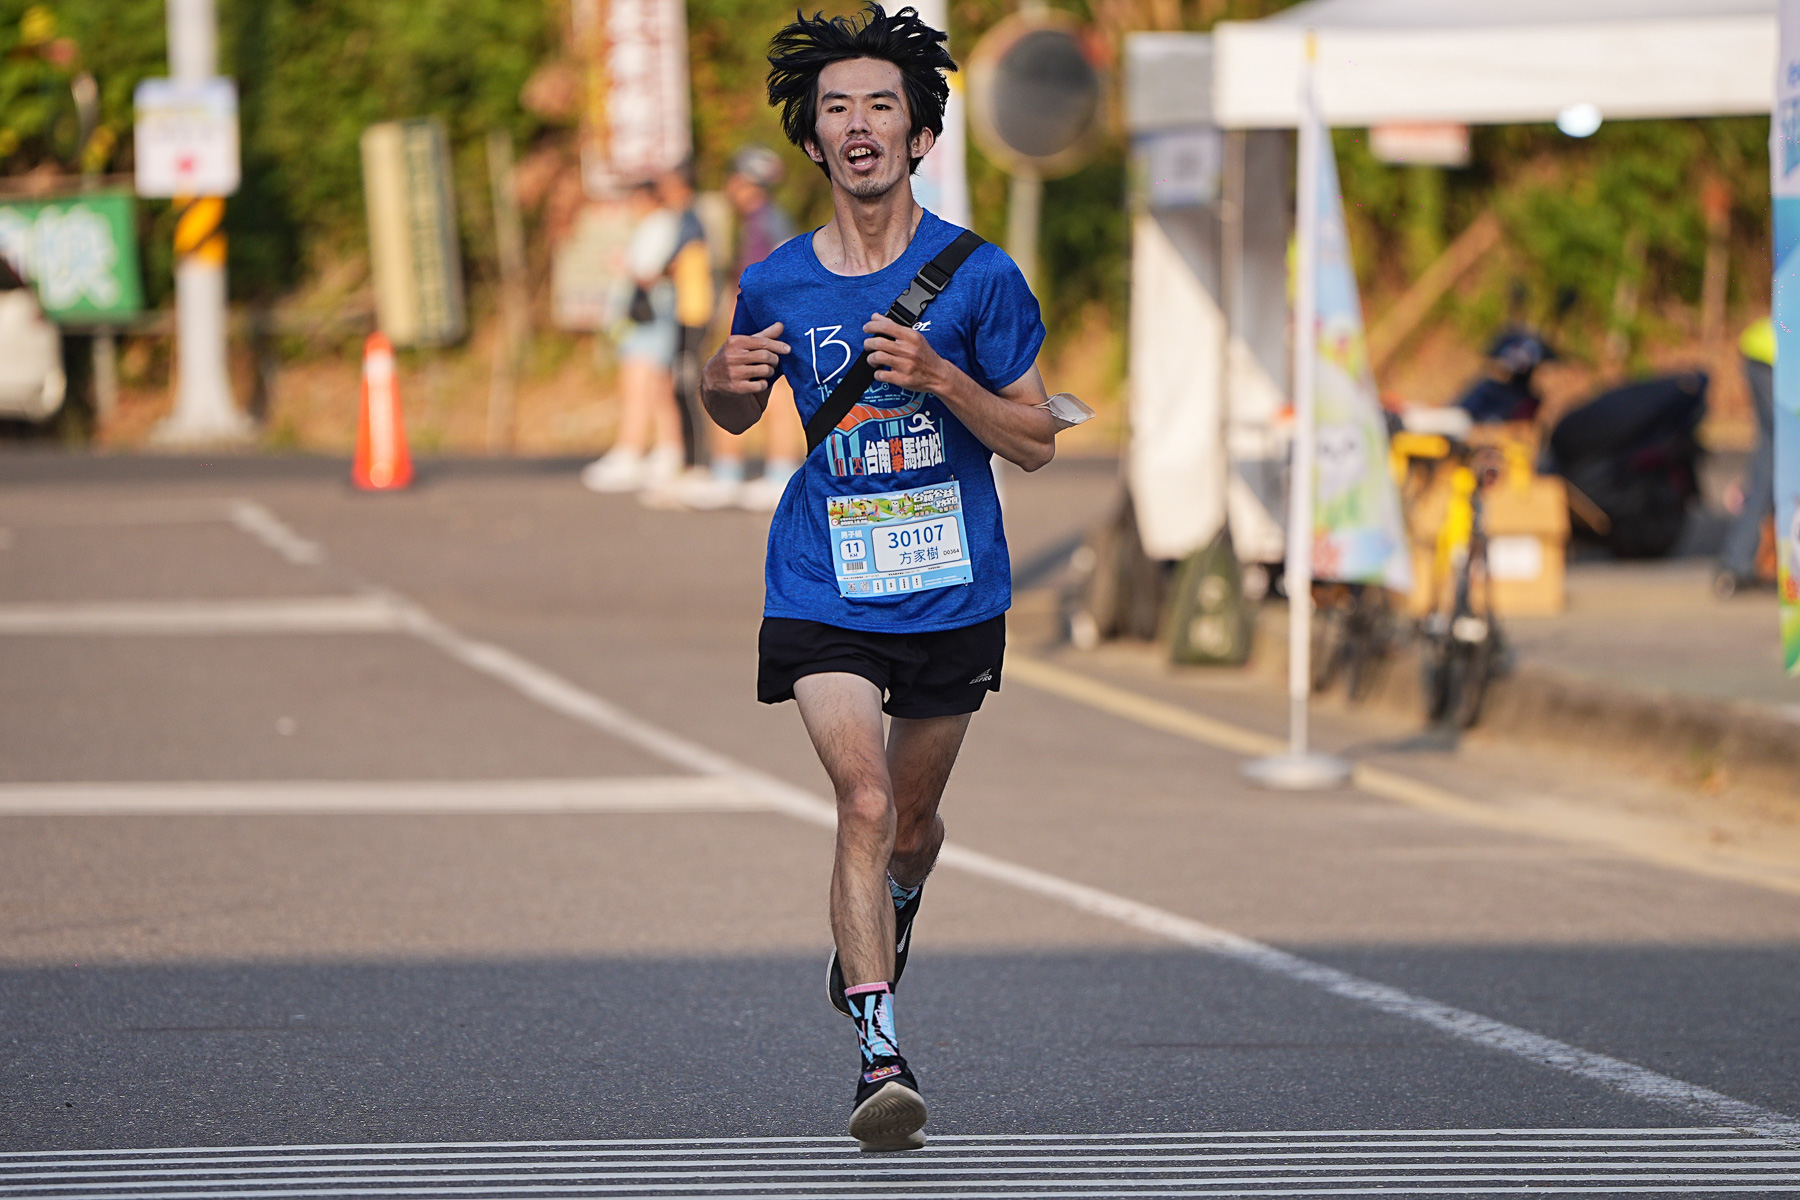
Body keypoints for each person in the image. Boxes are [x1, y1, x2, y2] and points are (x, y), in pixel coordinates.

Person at [699, 2, 1075, 1153]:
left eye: (880, 106)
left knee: (909, 825)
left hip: (953, 588)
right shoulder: (774, 281)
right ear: (813, 139)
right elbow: (734, 413)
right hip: (822, 584)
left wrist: (944, 378)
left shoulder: (980, 275)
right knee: (862, 803)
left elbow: (1036, 437)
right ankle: (880, 1056)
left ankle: (900, 896)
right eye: (837, 109)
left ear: (919, 134)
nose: (859, 126)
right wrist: (716, 381)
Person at [582, 180, 684, 493]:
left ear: (646, 199)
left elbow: (648, 272)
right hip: (655, 314)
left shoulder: (659, 224)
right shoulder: (663, 223)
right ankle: (668, 451)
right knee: (659, 386)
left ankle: (631, 451)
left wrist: (622, 263)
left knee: (638, 384)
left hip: (649, 315)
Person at [1716, 316, 1776, 596]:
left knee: (1770, 461)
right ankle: (1743, 561)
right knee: (1781, 457)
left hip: (1765, 351)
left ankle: (1739, 562)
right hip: (1777, 356)